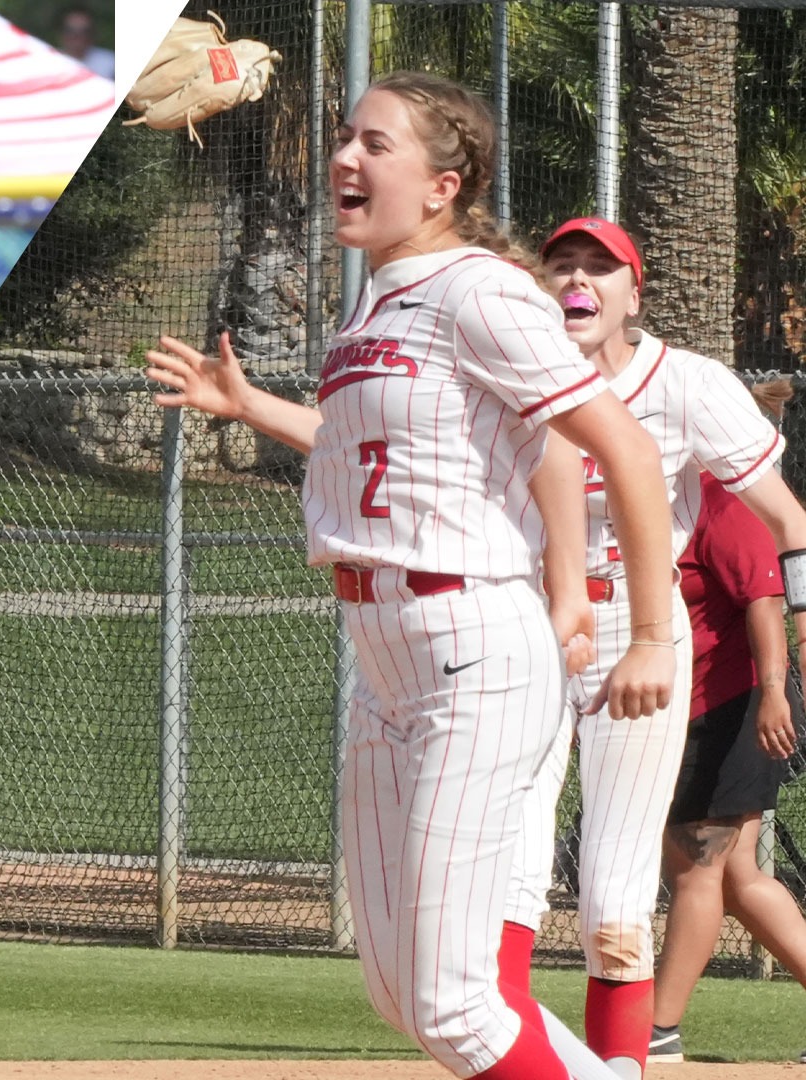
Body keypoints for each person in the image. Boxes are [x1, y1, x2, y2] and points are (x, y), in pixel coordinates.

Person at [145, 71, 677, 1080]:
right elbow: (387, 466)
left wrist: (646, 631)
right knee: (403, 997)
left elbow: (619, 451)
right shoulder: (379, 304)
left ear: (444, 184)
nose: (346, 157)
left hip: (470, 644)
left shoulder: (479, 289)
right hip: (385, 659)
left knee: (458, 1002)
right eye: (347, 137)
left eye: (376, 145)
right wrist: (250, 406)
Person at [500, 219, 806, 1080]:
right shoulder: (508, 376)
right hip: (531, 630)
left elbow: (789, 522)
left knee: (617, 882)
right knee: (512, 862)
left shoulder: (686, 384)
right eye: (561, 264)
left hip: (639, 634)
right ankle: (503, 1052)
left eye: (601, 268)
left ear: (634, 294)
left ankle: (624, 1063)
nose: (577, 279)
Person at [647, 380, 806, 1065]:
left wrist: (774, 691)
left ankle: (656, 1031)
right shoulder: (651, 498)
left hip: (735, 705)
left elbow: (765, 600)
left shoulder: (718, 497)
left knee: (696, 865)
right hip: (684, 707)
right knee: (739, 880)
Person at [58, 7, 115, 81]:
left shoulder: (110, 62)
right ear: (61, 34)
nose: (77, 36)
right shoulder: (49, 62)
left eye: (84, 31)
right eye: (71, 31)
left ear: (92, 34)